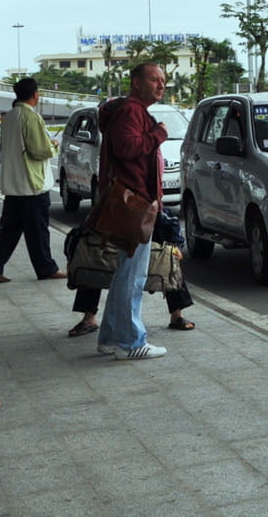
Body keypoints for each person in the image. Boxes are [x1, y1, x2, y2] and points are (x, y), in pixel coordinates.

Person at [95, 63, 169, 360]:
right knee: (132, 275)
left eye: (163, 80)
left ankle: (110, 338)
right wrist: (159, 134)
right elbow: (128, 148)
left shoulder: (131, 110)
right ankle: (130, 342)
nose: (161, 85)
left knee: (125, 273)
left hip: (133, 200)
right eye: (154, 80)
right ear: (136, 83)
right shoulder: (132, 111)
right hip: (134, 203)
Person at [0, 78, 66, 283]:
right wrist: (54, 145)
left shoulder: (8, 117)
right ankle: (46, 268)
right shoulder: (31, 117)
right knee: (38, 231)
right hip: (31, 185)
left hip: (13, 184)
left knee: (11, 229)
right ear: (35, 94)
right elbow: (39, 151)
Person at [69, 209, 195, 337]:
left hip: (144, 217)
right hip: (117, 216)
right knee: (93, 262)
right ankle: (88, 317)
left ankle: (177, 314)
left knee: (169, 260)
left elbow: (168, 220)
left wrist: (176, 245)